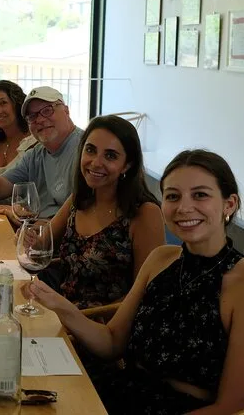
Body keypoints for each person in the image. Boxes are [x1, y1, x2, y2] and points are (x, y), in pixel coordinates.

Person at [23, 149, 244, 414]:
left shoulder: (239, 281)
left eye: (200, 195)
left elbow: (231, 405)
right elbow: (111, 342)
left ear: (229, 204)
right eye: (173, 196)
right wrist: (59, 305)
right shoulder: (162, 259)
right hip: (120, 392)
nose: (184, 208)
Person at [38, 115, 165, 309]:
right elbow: (41, 245)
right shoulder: (79, 199)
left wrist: (74, 317)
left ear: (127, 164)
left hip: (103, 322)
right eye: (90, 150)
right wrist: (27, 235)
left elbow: (145, 293)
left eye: (110, 156)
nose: (96, 162)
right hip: (60, 313)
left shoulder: (144, 213)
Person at [0, 86, 83, 218]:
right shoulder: (35, 155)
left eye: (47, 110)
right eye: (32, 116)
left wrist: (32, 222)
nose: (39, 120)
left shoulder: (86, 150)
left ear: (66, 110)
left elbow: (83, 216)